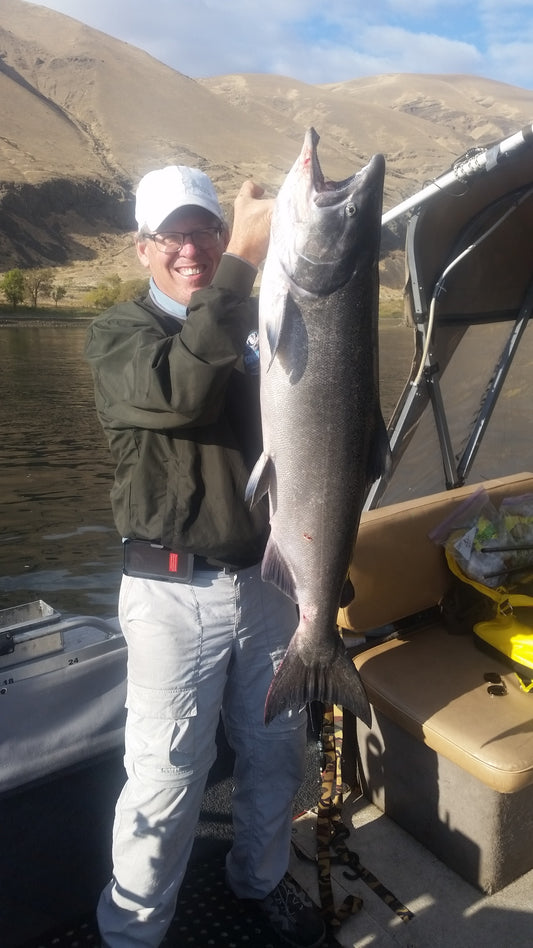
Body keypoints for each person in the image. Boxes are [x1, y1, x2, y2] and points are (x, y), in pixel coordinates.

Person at [85, 164, 326, 948]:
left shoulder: (262, 322)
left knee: (275, 756)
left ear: (223, 234)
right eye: (174, 235)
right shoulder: (119, 336)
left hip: (267, 589)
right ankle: (132, 934)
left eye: (206, 232)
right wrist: (241, 270)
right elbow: (184, 390)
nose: (191, 248)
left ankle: (258, 886)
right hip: (170, 595)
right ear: (142, 248)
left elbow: (328, 433)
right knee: (166, 778)